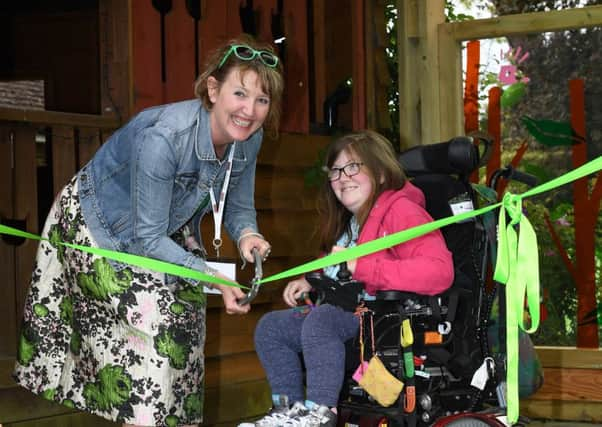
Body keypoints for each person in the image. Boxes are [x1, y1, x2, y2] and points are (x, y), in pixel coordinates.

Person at [13, 35, 283, 427]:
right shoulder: (164, 137)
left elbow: (238, 205)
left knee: (182, 340)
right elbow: (147, 240)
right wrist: (212, 277)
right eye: (240, 94)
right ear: (212, 89)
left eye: (262, 100)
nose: (250, 110)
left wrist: (247, 236)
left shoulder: (249, 139)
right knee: (151, 352)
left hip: (162, 229)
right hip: (99, 229)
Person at [243, 130, 454, 427]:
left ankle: (320, 412)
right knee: (271, 328)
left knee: (322, 321)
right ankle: (287, 411)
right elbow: (340, 267)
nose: (342, 177)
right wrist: (311, 278)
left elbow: (439, 272)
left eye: (353, 167)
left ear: (380, 172)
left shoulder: (402, 211)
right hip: (346, 313)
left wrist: (364, 267)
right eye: (336, 171)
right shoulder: (352, 223)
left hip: (384, 318)